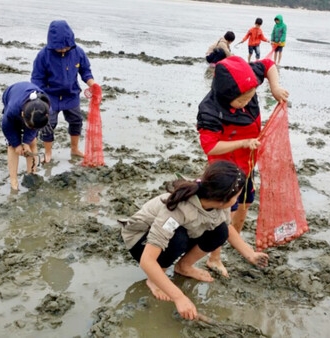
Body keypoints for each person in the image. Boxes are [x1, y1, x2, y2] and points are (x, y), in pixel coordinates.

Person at [120, 160, 269, 320]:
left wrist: (250, 254)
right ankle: (155, 279)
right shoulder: (178, 209)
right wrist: (179, 297)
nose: (238, 200)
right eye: (237, 196)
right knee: (179, 238)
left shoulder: (219, 204)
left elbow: (228, 229)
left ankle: (183, 266)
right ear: (223, 199)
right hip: (140, 241)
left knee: (220, 231)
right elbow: (147, 260)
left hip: (179, 231)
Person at [196, 55, 288, 276]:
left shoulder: (248, 78)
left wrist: (275, 87)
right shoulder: (209, 109)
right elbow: (211, 146)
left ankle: (233, 240)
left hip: (247, 164)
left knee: (244, 206)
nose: (246, 103)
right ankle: (214, 258)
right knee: (223, 215)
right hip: (226, 171)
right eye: (241, 101)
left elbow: (268, 65)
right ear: (227, 96)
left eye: (251, 96)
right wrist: (245, 142)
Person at [31, 20, 96, 163]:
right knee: (48, 124)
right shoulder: (43, 55)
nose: (63, 50)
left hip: (71, 94)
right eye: (59, 48)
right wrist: (39, 96)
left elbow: (85, 71)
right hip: (50, 96)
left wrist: (92, 84)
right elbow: (37, 78)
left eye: (66, 47)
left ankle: (74, 148)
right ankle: (48, 153)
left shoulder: (77, 52)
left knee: (76, 121)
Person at [1, 82, 50, 190]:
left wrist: (27, 142)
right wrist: (17, 144)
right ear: (23, 115)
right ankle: (13, 181)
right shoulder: (12, 110)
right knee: (12, 146)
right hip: (11, 95)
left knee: (32, 142)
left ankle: (31, 173)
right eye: (30, 126)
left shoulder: (44, 108)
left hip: (33, 111)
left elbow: (35, 128)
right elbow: (6, 127)